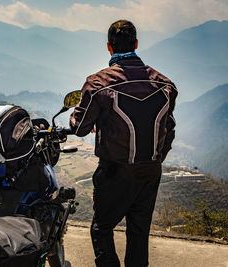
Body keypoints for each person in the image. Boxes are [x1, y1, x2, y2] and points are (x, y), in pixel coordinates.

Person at [69, 20, 177, 267]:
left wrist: (79, 118)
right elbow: (169, 128)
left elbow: (80, 126)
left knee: (102, 228)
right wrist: (159, 158)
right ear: (136, 44)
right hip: (150, 171)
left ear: (109, 47)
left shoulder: (98, 84)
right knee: (139, 233)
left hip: (115, 172)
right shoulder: (165, 84)